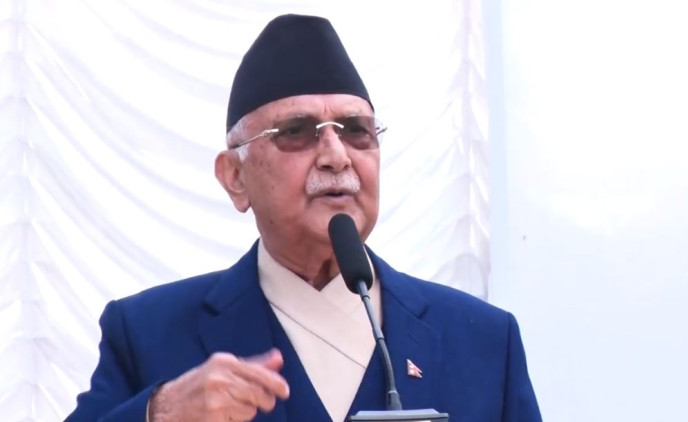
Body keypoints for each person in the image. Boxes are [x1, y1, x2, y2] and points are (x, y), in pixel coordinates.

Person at [64, 14, 542, 422]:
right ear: (235, 177)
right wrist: (160, 413)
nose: (336, 156)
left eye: (356, 130)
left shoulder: (481, 341)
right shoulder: (150, 334)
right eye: (296, 131)